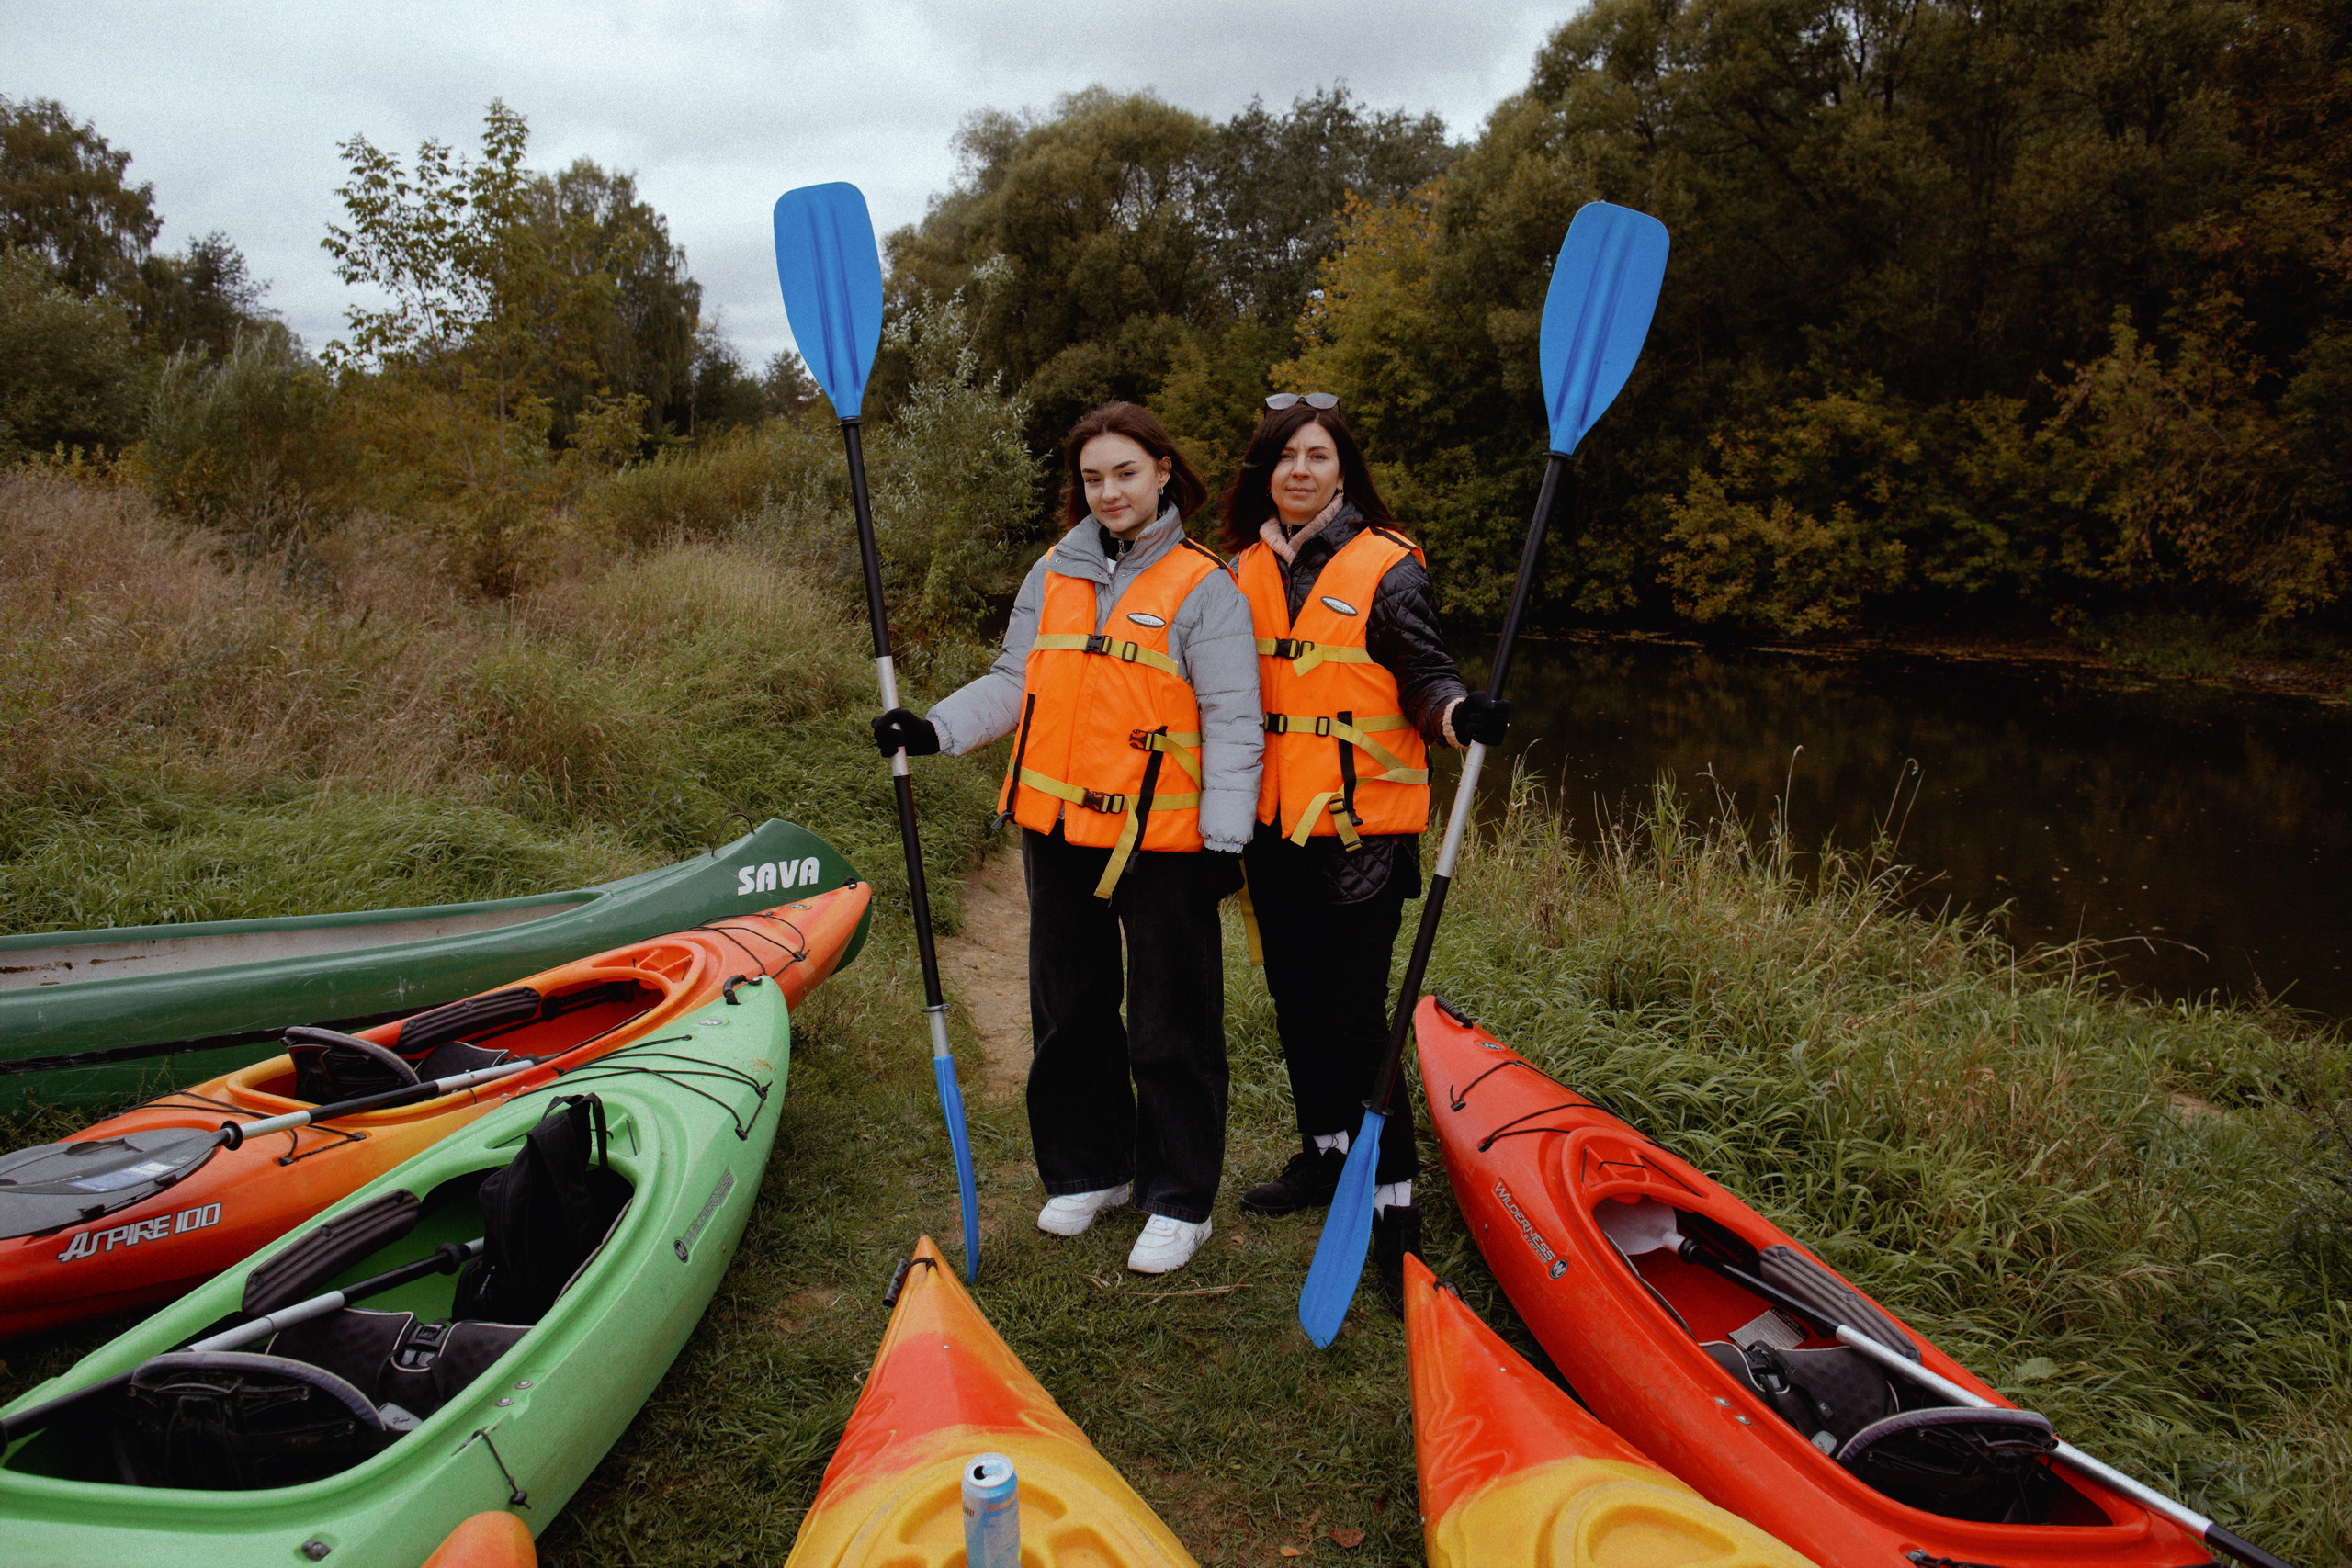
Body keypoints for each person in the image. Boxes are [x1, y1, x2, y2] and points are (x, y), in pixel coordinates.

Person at [870, 401, 1261, 1277]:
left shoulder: (1207, 586)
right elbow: (1016, 678)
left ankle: (1179, 1196)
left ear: (1164, 471)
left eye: (1126, 472)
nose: (1109, 491)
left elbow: (1237, 720)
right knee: (1069, 1010)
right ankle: (1093, 1169)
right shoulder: (1053, 571)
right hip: (1058, 832)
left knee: (1173, 1020)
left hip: (1163, 844)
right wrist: (932, 729)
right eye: (1093, 477)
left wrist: (1226, 837)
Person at [1220, 392, 1508, 1312]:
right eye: (1284, 457)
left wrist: (1459, 717)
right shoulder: (1241, 571)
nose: (1298, 470)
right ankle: (1323, 1157)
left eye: (1316, 456)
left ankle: (1394, 1211)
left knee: (1352, 1020)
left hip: (1357, 838)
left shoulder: (1388, 571)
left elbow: (1426, 677)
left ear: (1343, 470)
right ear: (1266, 472)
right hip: (1273, 834)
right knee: (1296, 1009)